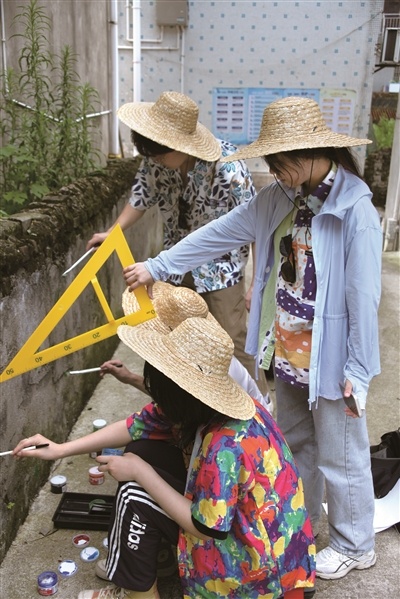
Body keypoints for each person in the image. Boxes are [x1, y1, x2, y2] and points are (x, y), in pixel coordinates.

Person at [122, 96, 382, 580]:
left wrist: (359, 369)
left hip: (330, 357)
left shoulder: (355, 210)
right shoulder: (279, 198)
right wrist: (158, 266)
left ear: (309, 152)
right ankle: (302, 524)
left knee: (341, 453)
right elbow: (218, 233)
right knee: (296, 444)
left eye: (279, 162)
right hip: (285, 347)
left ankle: (355, 544)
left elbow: (363, 296)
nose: (274, 170)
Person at [13, 315, 316, 599]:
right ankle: (153, 562)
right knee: (141, 450)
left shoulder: (224, 446)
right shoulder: (219, 406)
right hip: (265, 544)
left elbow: (206, 527)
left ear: (179, 394)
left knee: (133, 495)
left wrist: (140, 472)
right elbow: (135, 425)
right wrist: (60, 449)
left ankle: (137, 592)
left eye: (159, 393)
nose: (155, 401)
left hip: (255, 575)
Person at [86, 90, 268, 396]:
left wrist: (256, 284)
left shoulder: (228, 168)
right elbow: (141, 196)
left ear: (182, 145)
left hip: (220, 271)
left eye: (159, 154)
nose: (154, 160)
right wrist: (112, 232)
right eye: (150, 154)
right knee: (176, 338)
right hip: (173, 264)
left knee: (231, 341)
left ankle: (259, 406)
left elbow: (257, 226)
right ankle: (191, 403)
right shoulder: (155, 160)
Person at [100, 282, 271, 411]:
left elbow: (179, 405)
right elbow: (173, 397)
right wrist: (129, 377)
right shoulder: (195, 358)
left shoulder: (206, 371)